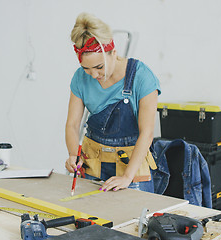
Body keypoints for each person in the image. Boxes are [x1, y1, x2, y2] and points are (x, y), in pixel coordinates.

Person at [65, 12, 161, 193]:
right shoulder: (79, 78)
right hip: (93, 163)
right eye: (86, 68)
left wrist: (127, 177)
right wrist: (72, 155)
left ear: (113, 53)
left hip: (131, 167)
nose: (94, 75)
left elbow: (147, 133)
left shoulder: (142, 76)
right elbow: (72, 125)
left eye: (99, 67)